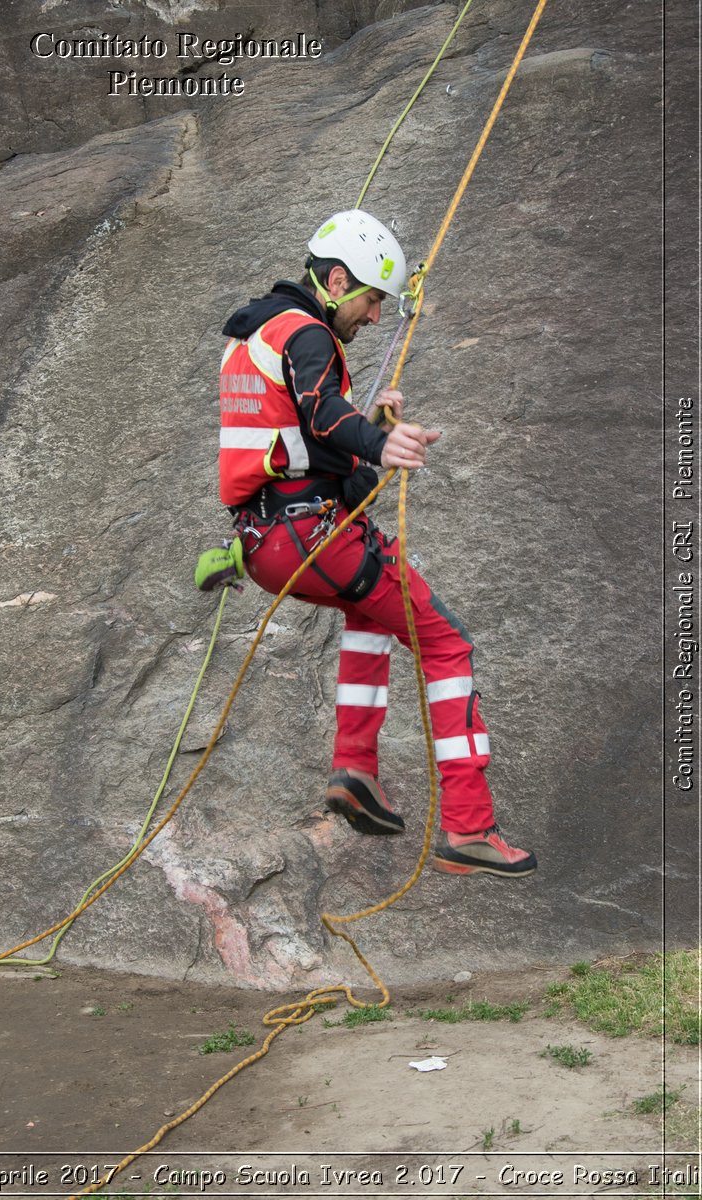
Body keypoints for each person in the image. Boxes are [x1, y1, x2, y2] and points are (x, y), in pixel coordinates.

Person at [217, 210, 536, 877]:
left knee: (370, 615)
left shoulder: (255, 334)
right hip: (313, 536)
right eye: (369, 300)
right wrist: (378, 438)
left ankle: (355, 771)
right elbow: (319, 411)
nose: (372, 318)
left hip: (266, 545)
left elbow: (312, 448)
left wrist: (372, 433)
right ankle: (470, 827)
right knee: (446, 644)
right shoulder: (305, 333)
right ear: (337, 280)